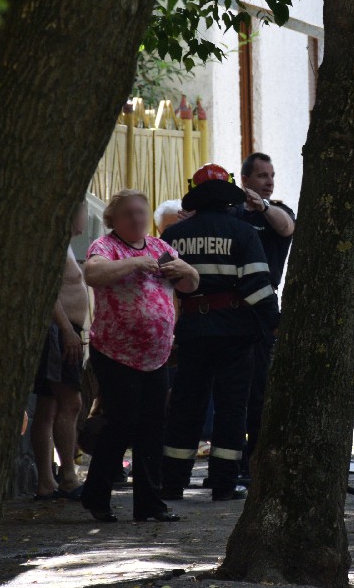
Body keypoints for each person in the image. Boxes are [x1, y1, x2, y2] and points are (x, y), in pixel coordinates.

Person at [80, 189, 199, 523]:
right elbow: (93, 274)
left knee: (153, 427)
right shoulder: (106, 246)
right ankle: (96, 495)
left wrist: (187, 271)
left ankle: (150, 504)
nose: (136, 218)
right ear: (113, 219)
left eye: (141, 212)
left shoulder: (160, 248)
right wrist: (134, 262)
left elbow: (190, 285)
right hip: (115, 353)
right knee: (122, 423)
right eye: (128, 213)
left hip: (156, 355)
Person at [161, 164, 278, 501]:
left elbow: (159, 290)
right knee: (231, 407)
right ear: (228, 194)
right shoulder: (243, 232)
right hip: (235, 331)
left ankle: (172, 482)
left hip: (192, 330)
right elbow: (257, 286)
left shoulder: (172, 236)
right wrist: (274, 322)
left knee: (186, 405)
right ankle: (223, 483)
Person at [232, 152, 295, 481]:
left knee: (259, 389)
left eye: (271, 176)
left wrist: (264, 207)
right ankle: (231, 463)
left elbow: (286, 228)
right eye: (261, 176)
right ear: (245, 181)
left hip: (262, 309)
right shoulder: (232, 214)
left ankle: (254, 461)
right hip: (229, 309)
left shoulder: (278, 212)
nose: (269, 182)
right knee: (231, 391)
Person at [30, 203, 90, 501]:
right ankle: (67, 477)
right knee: (71, 403)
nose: (86, 216)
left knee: (48, 406)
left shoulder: (60, 244)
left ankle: (46, 481)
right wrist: (66, 330)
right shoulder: (52, 244)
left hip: (59, 331)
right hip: (58, 332)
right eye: (82, 209)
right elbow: (48, 290)